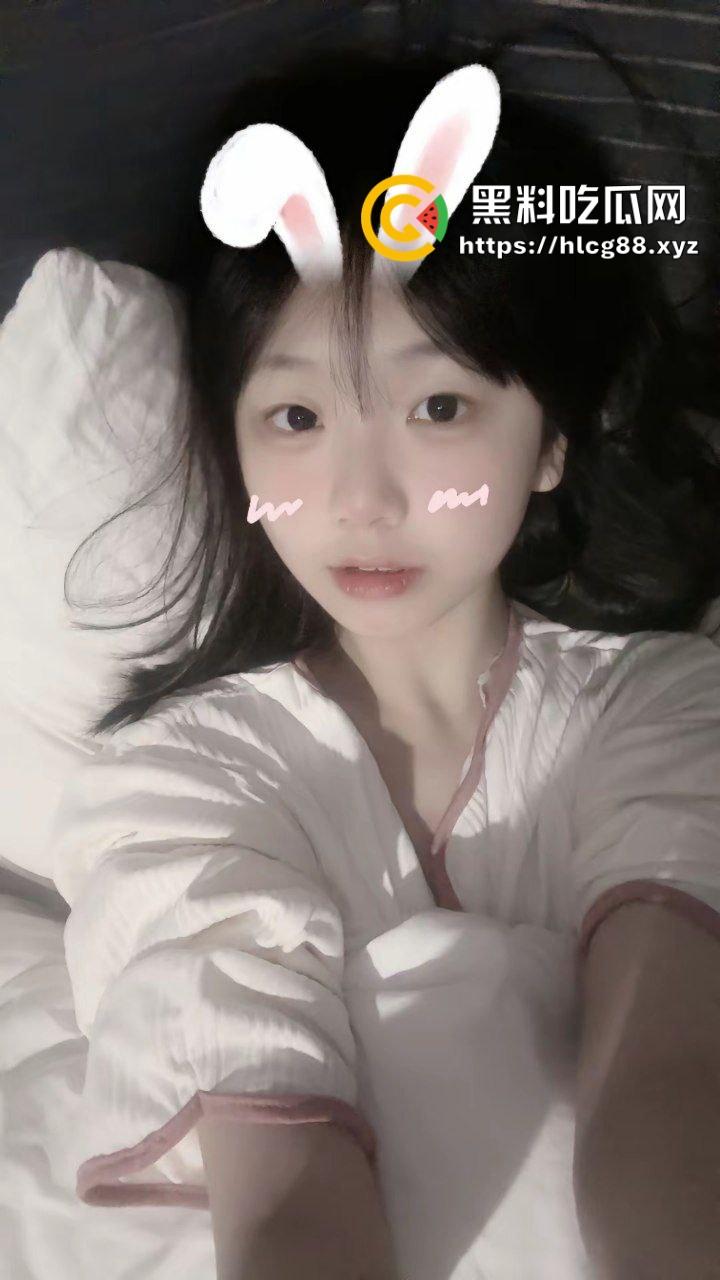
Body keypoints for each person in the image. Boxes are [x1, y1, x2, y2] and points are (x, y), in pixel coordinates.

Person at [50, 44, 720, 1280]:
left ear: (551, 440)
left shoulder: (668, 709)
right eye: (298, 417)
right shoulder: (180, 783)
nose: (362, 498)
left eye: (439, 408)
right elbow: (288, 1197)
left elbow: (670, 1082)